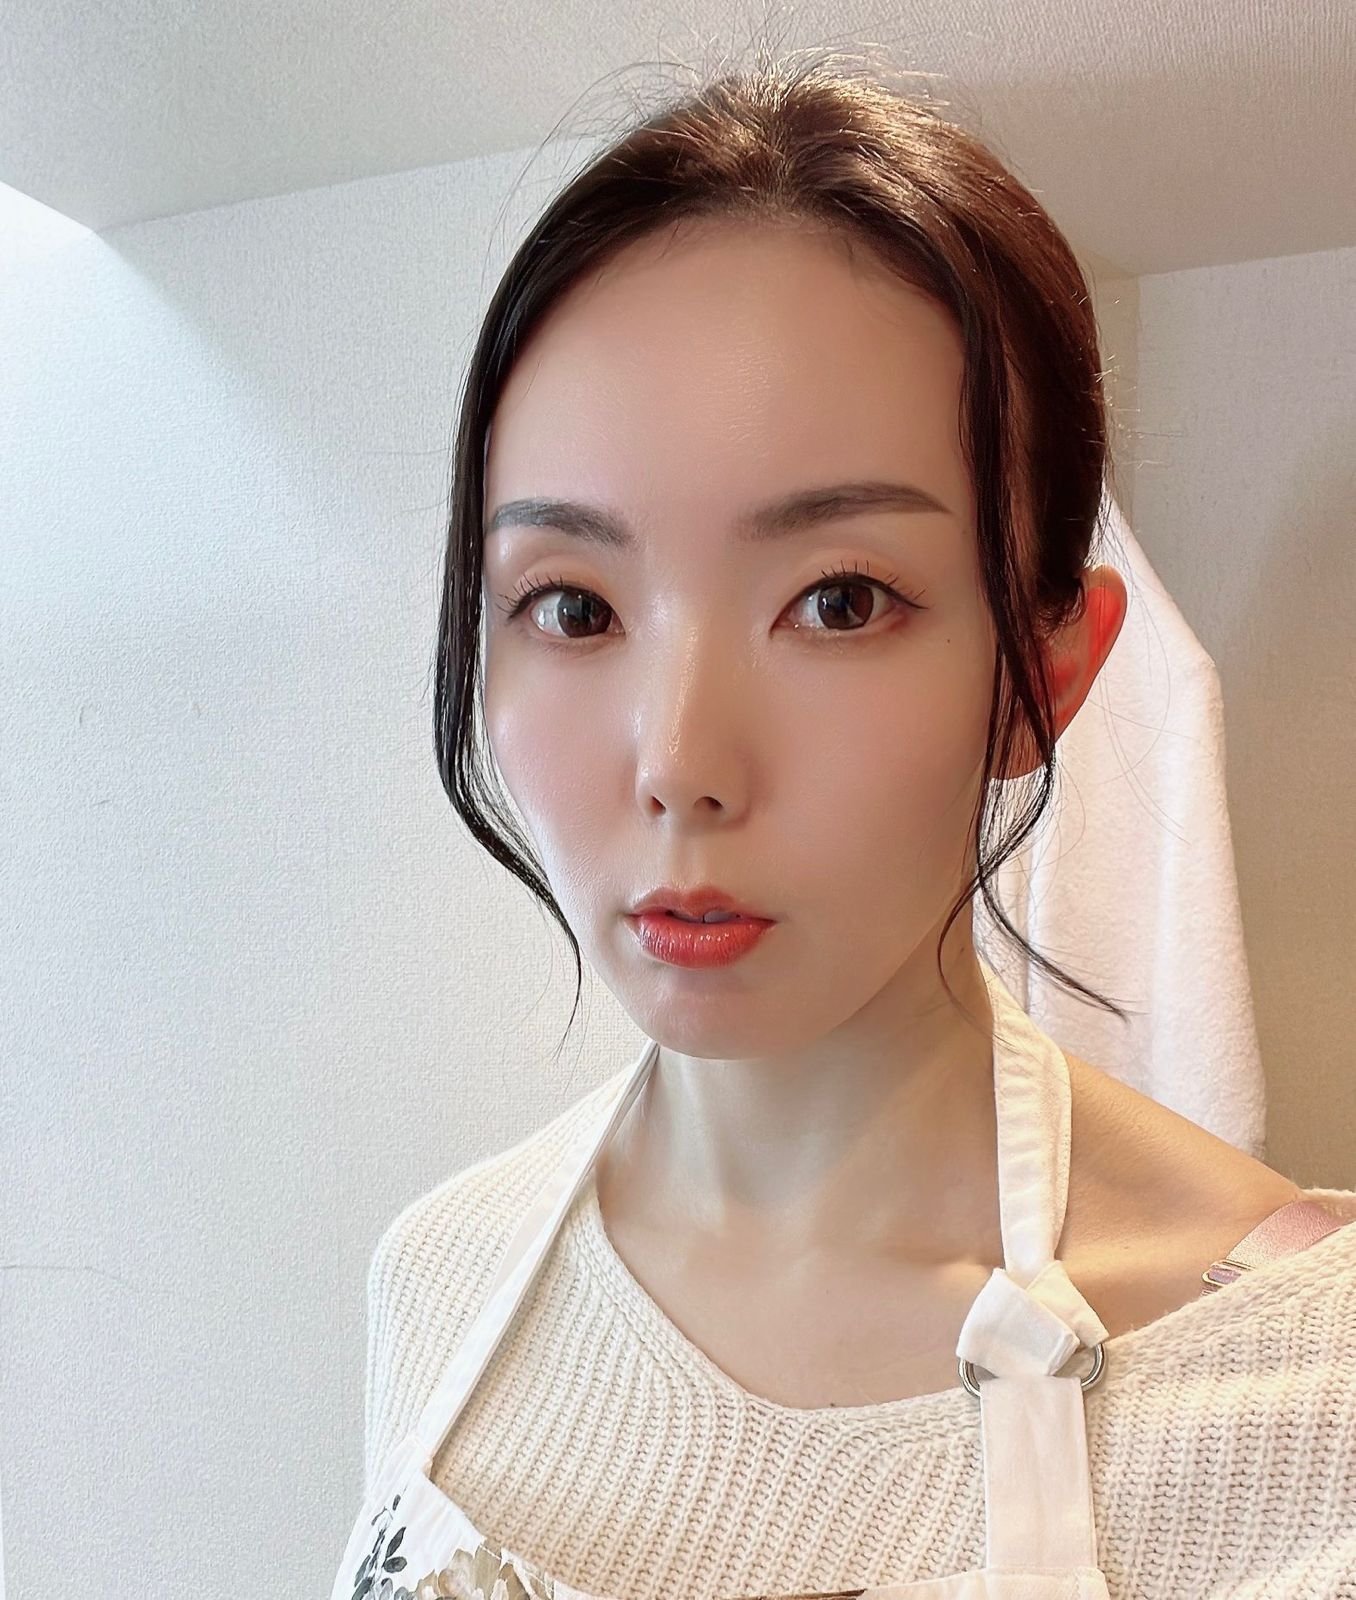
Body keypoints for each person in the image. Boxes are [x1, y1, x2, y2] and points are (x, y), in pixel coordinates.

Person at [332, 49, 1356, 1600]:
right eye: (574, 605)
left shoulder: (1306, 1391)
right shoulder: (441, 1275)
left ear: (1045, 677)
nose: (681, 764)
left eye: (839, 600)